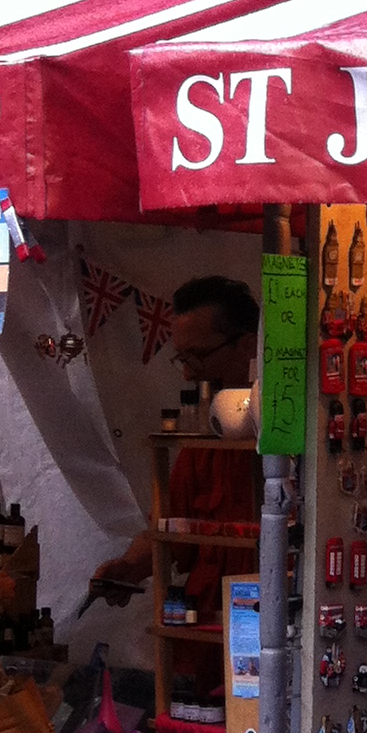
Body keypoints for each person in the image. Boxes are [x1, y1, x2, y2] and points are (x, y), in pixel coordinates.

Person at [92, 275, 261, 668]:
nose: (188, 374)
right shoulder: (205, 441)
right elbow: (168, 525)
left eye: (199, 357)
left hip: (269, 625)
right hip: (206, 634)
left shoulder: (290, 434)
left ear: (249, 343)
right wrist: (130, 568)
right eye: (182, 359)